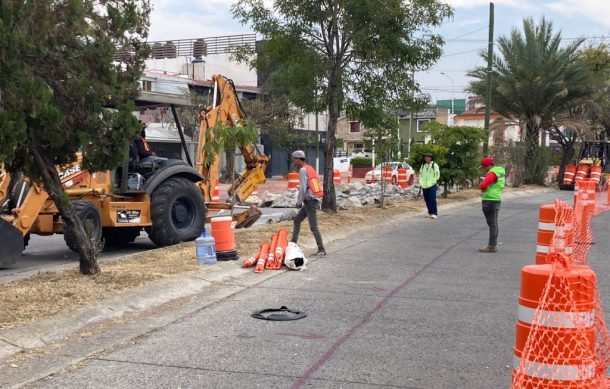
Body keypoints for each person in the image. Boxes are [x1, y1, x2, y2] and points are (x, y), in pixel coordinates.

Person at [290, 150, 326, 256]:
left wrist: (298, 202)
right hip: (312, 199)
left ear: (298, 158)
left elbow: (303, 188)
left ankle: (321, 249)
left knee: (313, 226)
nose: (293, 161)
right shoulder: (310, 168)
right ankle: (293, 243)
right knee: (297, 220)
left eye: (294, 159)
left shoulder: (302, 170)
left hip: (310, 201)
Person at [479, 157, 506, 253]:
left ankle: (492, 245)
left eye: (484, 167)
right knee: (494, 223)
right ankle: (492, 245)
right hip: (496, 198)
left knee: (492, 224)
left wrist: (482, 188)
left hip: (489, 199)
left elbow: (483, 185)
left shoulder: (492, 173)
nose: (484, 169)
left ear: (488, 166)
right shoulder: (500, 171)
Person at [419, 152, 440, 219]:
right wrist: (421, 182)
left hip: (432, 185)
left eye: (428, 157)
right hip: (424, 186)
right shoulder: (423, 166)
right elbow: (420, 175)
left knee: (432, 199)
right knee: (427, 199)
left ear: (431, 158)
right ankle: (430, 212)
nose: (426, 158)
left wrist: (432, 182)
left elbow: (437, 175)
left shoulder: (434, 165)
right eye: (425, 157)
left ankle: (434, 213)